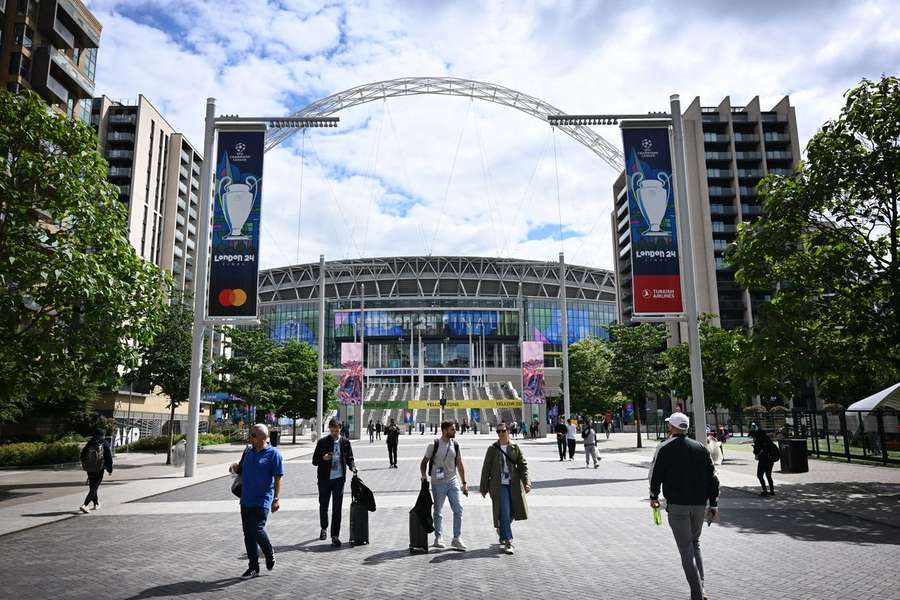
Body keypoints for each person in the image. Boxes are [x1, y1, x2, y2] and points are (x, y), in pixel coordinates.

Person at [649, 413, 720, 600]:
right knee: (695, 544)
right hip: (699, 504)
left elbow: (656, 475)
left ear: (672, 427)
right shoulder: (700, 448)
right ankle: (702, 587)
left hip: (677, 505)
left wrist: (653, 496)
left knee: (685, 549)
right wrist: (713, 503)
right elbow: (713, 478)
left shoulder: (664, 448)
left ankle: (697, 593)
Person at [230, 423, 284, 578]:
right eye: (250, 435)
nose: (250, 438)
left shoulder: (274, 454)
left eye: (253, 435)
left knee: (257, 529)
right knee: (248, 534)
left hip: (263, 499)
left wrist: (276, 499)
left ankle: (269, 551)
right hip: (246, 498)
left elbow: (278, 477)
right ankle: (253, 567)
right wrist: (234, 467)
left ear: (263, 437)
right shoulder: (247, 452)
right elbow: (240, 469)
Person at [480, 423, 531, 555]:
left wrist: (527, 483)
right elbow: (486, 469)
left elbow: (522, 466)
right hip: (499, 485)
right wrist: (483, 487)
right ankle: (508, 541)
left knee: (513, 511)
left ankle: (502, 529)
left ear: (508, 431)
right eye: (498, 431)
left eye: (503, 431)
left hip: (513, 484)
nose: (501, 433)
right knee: (504, 510)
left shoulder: (515, 447)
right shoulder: (492, 448)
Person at [420, 421, 469, 551]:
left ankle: (457, 538)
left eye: (454, 429)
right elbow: (424, 462)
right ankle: (438, 537)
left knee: (458, 509)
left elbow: (459, 464)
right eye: (452, 429)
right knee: (438, 511)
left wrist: (464, 483)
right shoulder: (433, 445)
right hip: (438, 482)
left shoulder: (455, 445)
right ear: (444, 430)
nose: (455, 431)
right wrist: (424, 476)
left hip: (453, 481)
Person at [312, 418, 357, 547]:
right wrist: (323, 458)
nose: (334, 433)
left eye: (336, 430)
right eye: (332, 431)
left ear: (340, 429)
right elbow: (314, 461)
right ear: (329, 429)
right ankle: (324, 528)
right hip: (324, 479)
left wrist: (352, 467)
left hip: (339, 479)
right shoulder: (322, 442)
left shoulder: (345, 443)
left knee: (337, 508)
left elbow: (350, 458)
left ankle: (335, 535)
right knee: (324, 505)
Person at [79, 428, 113, 513]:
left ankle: (96, 503)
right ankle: (85, 505)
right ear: (102, 435)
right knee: (94, 487)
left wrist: (86, 464)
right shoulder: (104, 443)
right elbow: (109, 458)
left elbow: (82, 455)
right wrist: (109, 469)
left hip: (89, 469)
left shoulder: (90, 443)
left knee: (92, 487)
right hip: (99, 468)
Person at [750, 428, 778, 496]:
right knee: (768, 475)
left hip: (763, 460)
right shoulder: (768, 439)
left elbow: (756, 451)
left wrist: (754, 447)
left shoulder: (758, 440)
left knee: (760, 475)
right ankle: (772, 490)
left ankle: (764, 490)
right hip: (771, 459)